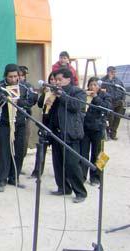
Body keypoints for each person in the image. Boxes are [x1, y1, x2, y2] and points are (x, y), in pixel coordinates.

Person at [0, 64, 37, 192]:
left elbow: (32, 100)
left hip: (20, 123)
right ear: (6, 76)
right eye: (10, 77)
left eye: (16, 76)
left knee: (19, 151)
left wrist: (20, 102)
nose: (14, 79)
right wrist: (5, 99)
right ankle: (1, 180)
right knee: (4, 151)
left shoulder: (25, 86)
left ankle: (14, 177)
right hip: (4, 123)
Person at [47, 68, 87, 203]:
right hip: (56, 132)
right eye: (55, 80)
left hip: (70, 133)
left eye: (60, 79)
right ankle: (63, 187)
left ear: (68, 79)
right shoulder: (56, 92)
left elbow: (77, 106)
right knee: (58, 163)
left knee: (72, 164)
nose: (57, 82)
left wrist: (61, 96)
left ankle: (80, 192)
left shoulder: (78, 92)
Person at [81, 77, 111, 186]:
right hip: (85, 128)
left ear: (99, 86)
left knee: (98, 153)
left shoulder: (105, 96)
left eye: (95, 85)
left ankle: (96, 177)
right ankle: (82, 176)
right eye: (91, 84)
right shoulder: (84, 95)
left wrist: (96, 97)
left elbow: (107, 108)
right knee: (83, 153)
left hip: (99, 128)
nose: (93, 87)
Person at [30, 72, 56, 178]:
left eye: (55, 80)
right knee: (41, 148)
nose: (53, 82)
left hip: (56, 124)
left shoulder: (60, 93)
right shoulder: (47, 91)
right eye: (51, 80)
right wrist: (45, 94)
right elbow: (40, 104)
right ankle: (37, 171)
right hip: (45, 122)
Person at [101, 66, 126, 140]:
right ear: (108, 72)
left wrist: (123, 100)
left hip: (119, 102)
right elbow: (101, 91)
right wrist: (110, 79)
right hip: (109, 102)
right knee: (110, 119)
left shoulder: (118, 80)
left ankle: (113, 134)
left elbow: (123, 90)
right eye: (112, 72)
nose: (113, 73)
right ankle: (108, 133)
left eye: (114, 72)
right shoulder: (103, 80)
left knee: (117, 118)